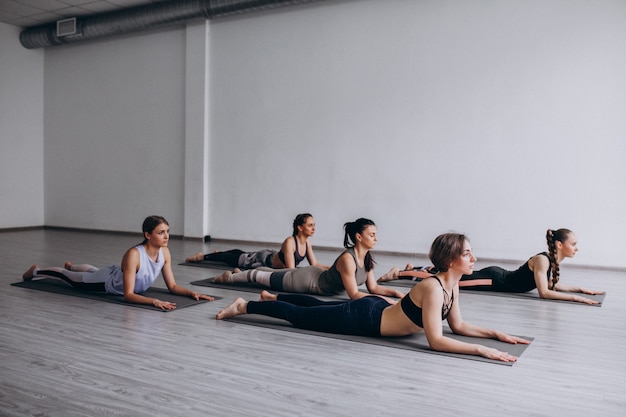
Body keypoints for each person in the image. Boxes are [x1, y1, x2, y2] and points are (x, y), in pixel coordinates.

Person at [216, 232, 530, 362]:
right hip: (364, 319)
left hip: (377, 309)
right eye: (468, 254)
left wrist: (495, 334)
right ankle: (247, 305)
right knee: (302, 318)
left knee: (321, 307)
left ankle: (272, 295)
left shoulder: (452, 285)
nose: (474, 259)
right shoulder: (434, 288)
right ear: (450, 261)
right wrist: (481, 350)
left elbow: (458, 326)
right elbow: (436, 340)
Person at [22, 215, 214, 310]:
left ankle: (72, 265)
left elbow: (172, 286)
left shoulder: (165, 252)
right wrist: (154, 301)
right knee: (69, 278)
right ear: (148, 235)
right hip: (104, 283)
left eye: (167, 231)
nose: (166, 236)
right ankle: (36, 271)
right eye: (161, 232)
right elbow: (128, 295)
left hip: (113, 273)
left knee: (92, 270)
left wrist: (192, 293)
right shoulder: (133, 255)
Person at [378, 229, 603, 305]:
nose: (576, 248)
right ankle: (400, 273)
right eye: (573, 244)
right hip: (495, 280)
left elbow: (555, 286)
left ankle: (418, 269)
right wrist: (578, 300)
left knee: (452, 275)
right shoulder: (543, 260)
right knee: (452, 280)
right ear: (559, 245)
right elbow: (545, 293)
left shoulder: (550, 262)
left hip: (498, 277)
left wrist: (582, 290)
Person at [214, 218, 404, 301]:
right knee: (262, 277)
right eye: (372, 234)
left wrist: (395, 294)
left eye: (376, 234)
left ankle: (238, 274)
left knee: (270, 273)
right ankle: (228, 278)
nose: (376, 238)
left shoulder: (367, 257)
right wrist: (384, 300)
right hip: (308, 282)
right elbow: (354, 294)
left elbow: (373, 288)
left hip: (315, 273)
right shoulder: (348, 259)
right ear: (358, 237)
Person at [185, 213, 328, 270]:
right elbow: (290, 270)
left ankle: (219, 252)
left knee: (241, 254)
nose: (314, 228)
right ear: (300, 227)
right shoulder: (290, 242)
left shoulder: (307, 242)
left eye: (314, 225)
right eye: (310, 225)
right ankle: (202, 257)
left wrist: (330, 269)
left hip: (269, 256)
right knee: (234, 259)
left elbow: (314, 264)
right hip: (263, 260)